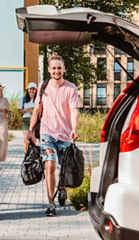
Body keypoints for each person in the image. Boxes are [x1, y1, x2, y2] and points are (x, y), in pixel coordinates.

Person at [26, 53, 79, 217]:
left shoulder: (71, 88)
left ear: (64, 69)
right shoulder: (43, 87)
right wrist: (30, 131)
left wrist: (74, 129)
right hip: (47, 134)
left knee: (64, 169)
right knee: (49, 164)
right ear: (49, 70)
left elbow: (74, 111)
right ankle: (51, 203)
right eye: (54, 68)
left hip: (65, 136)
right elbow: (36, 110)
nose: (57, 71)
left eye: (59, 68)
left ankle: (61, 188)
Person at [18, 82, 37, 153]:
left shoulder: (38, 99)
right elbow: (19, 111)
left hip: (35, 120)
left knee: (34, 140)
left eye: (33, 89)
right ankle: (26, 155)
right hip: (26, 120)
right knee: (26, 140)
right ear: (28, 90)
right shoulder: (23, 99)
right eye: (30, 89)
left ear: (36, 90)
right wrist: (27, 110)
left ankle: (33, 155)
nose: (32, 91)